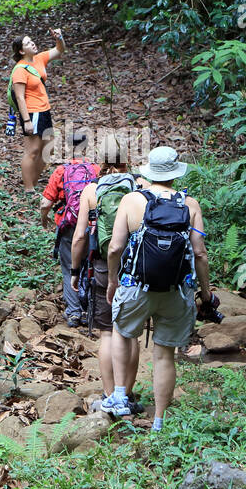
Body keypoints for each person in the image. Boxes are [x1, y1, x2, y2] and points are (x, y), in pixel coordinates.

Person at [101, 146, 210, 432]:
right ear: (176, 172)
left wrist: (113, 280)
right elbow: (199, 254)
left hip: (136, 287)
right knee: (165, 355)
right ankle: (159, 421)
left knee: (123, 334)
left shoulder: (131, 200)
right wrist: (206, 293)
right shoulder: (191, 204)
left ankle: (120, 396)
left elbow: (115, 247)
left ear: (150, 170)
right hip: (176, 292)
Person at [70, 141, 144, 409]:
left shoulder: (92, 190)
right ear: (126, 159)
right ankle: (128, 394)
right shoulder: (138, 186)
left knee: (107, 334)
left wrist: (74, 271)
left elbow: (79, 236)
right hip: (135, 268)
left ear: (98, 160)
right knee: (131, 334)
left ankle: (109, 394)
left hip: (101, 267)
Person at [39, 129, 101, 327]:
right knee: (90, 266)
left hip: (69, 227)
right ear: (87, 147)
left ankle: (74, 313)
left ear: (68, 148)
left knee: (69, 268)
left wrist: (44, 219)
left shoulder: (61, 171)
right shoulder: (96, 170)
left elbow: (45, 203)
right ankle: (90, 311)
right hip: (93, 227)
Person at [9, 29, 64, 191]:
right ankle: (28, 188)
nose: (32, 43)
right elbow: (19, 97)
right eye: (27, 43)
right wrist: (26, 121)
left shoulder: (39, 59)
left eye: (31, 40)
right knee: (32, 150)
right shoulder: (20, 69)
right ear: (21, 51)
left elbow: (60, 50)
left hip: (44, 110)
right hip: (32, 112)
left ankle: (33, 180)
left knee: (49, 147)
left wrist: (59, 38)